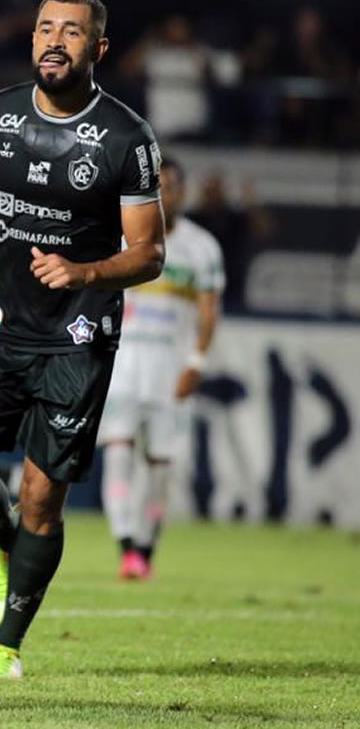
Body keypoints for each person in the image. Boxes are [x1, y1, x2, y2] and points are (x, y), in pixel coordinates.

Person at [0, 0, 166, 678]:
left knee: (40, 495)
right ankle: (7, 544)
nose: (54, 41)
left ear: (99, 48)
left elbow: (149, 252)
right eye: (44, 29)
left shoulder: (127, 139)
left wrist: (86, 270)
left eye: (72, 31)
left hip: (77, 334)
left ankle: (5, 645)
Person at [98, 157, 224, 579]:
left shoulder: (202, 247)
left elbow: (209, 312)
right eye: (160, 186)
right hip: (122, 367)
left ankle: (146, 547)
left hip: (169, 372)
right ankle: (126, 547)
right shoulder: (119, 237)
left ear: (184, 192)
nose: (167, 194)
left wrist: (197, 362)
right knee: (118, 453)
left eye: (173, 186)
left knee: (159, 466)